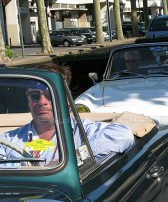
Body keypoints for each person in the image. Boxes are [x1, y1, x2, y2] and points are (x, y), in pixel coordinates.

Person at [0, 62, 135, 165]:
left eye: (49, 95)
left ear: (67, 100)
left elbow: (123, 135)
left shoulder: (82, 131)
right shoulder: (8, 140)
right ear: (29, 102)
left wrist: (73, 157)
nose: (42, 102)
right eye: (35, 96)